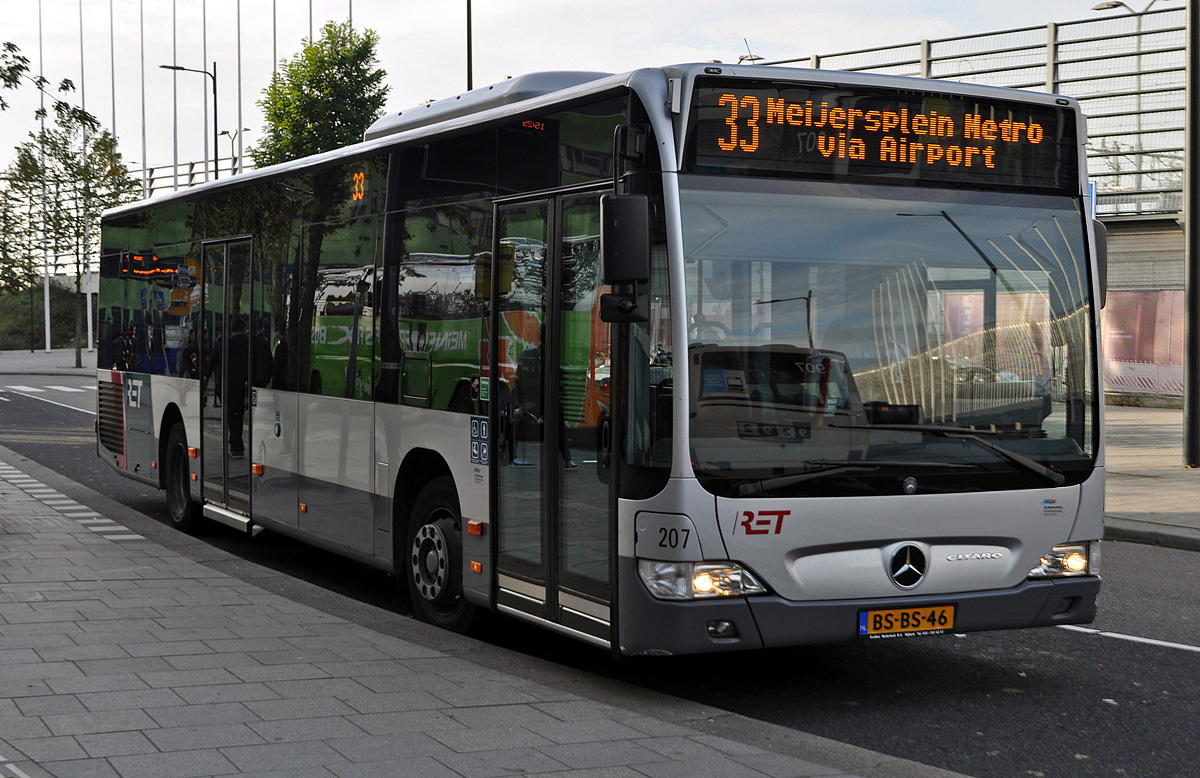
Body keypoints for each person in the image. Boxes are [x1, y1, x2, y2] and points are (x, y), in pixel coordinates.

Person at [208, 317, 250, 458]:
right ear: (243, 329)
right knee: (238, 415)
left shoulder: (223, 344)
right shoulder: (249, 344)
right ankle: (236, 445)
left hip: (225, 386)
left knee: (230, 417)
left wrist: (204, 380)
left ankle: (235, 445)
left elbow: (211, 363)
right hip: (241, 386)